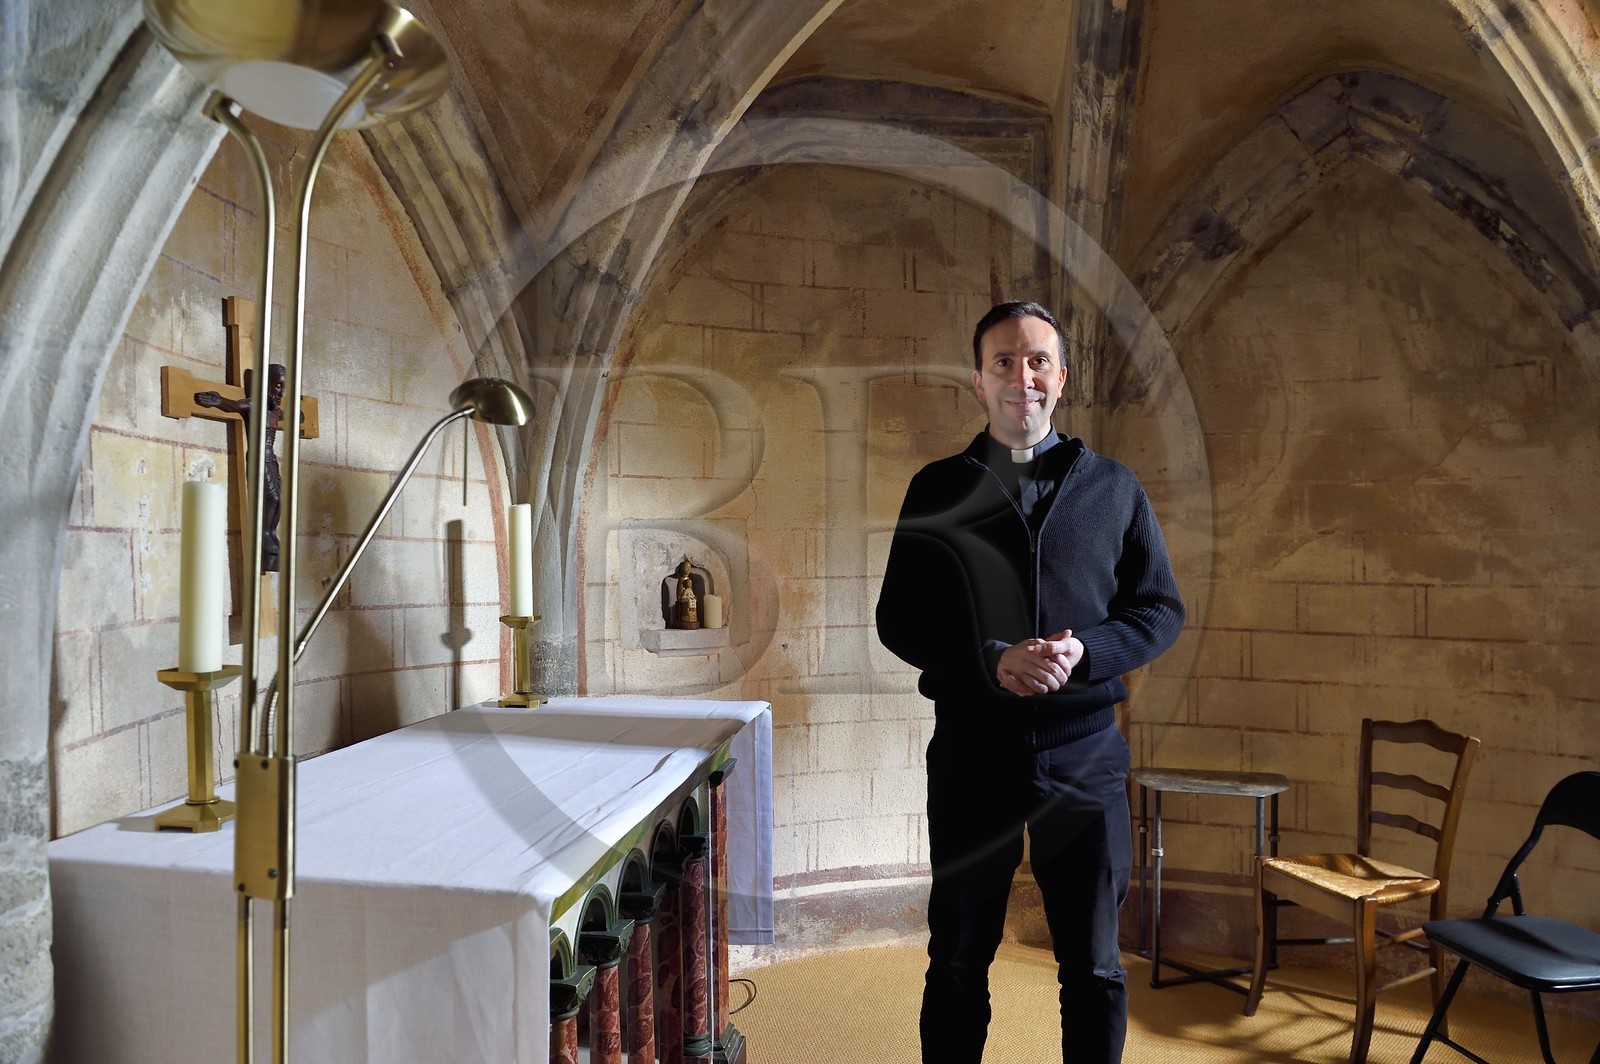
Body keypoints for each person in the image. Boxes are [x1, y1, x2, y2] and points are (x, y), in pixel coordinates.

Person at [875, 300, 1184, 1063]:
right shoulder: (937, 488)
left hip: (1084, 758)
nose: (1024, 376)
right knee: (957, 956)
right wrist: (990, 658)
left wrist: (1090, 653)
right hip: (973, 755)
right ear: (978, 382)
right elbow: (898, 620)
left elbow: (1161, 610)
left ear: (1061, 377)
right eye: (1005, 362)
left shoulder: (1114, 487)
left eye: (1039, 360)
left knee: (1095, 966)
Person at [194, 364, 287, 572]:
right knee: (271, 498)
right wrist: (219, 401)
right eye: (278, 387)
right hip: (258, 457)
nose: (281, 393)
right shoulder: (256, 405)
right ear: (267, 385)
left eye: (283, 388)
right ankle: (264, 535)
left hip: (271, 459)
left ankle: (271, 534)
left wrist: (296, 415)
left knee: (281, 499)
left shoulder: (275, 411)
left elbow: (285, 416)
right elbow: (234, 405)